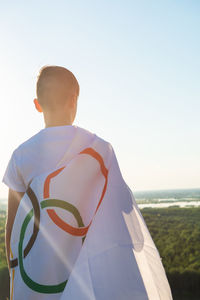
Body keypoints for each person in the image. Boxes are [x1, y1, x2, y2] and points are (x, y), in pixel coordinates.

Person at [2, 66, 172, 300]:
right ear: (74, 100)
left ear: (37, 104)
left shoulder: (21, 155)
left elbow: (12, 226)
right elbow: (121, 208)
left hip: (37, 276)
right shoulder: (100, 151)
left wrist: (15, 274)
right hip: (86, 273)